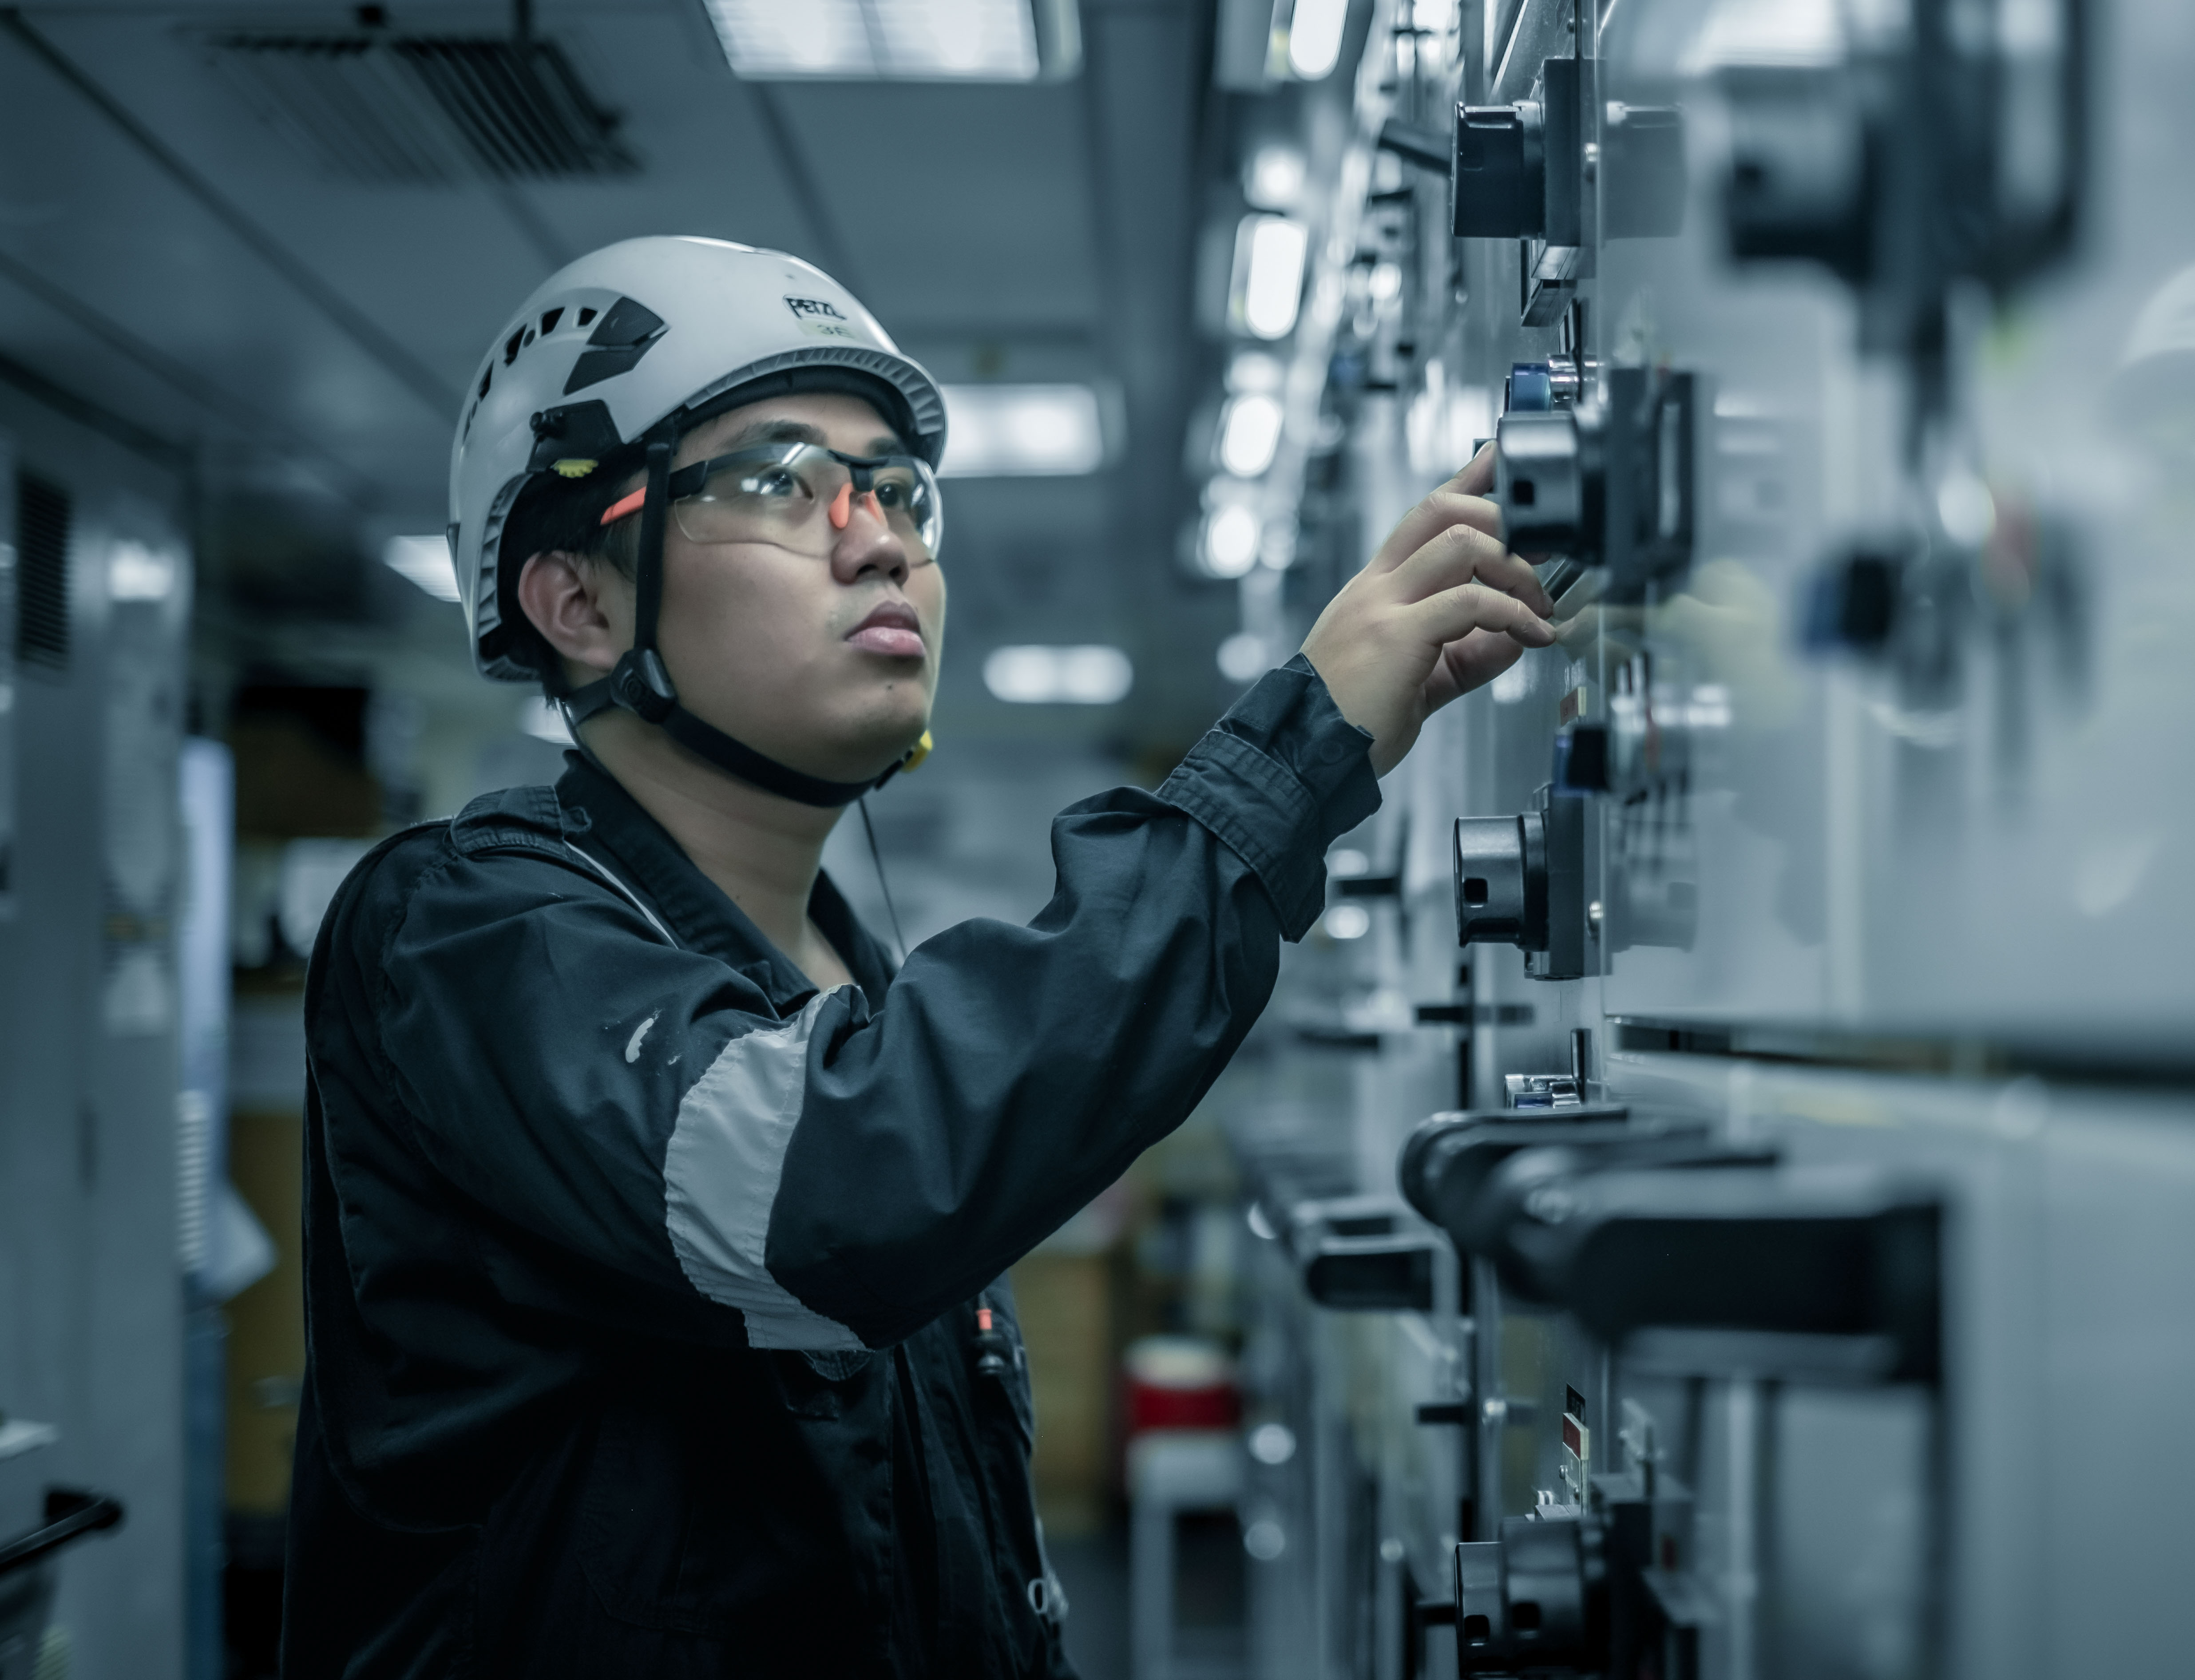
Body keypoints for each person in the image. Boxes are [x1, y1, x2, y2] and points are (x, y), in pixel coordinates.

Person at [281, 235, 1553, 1677]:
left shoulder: (848, 982)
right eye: (777, 479)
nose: (879, 532)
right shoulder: (460, 933)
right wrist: (1291, 759)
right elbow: (839, 1188)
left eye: (898, 488)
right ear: (578, 600)